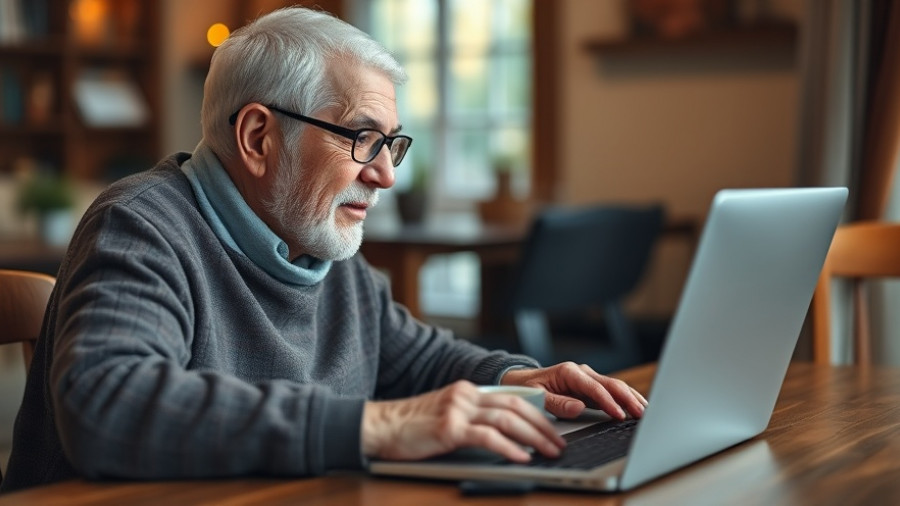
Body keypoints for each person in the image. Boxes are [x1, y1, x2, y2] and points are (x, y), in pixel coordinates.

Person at [0, 7, 646, 493]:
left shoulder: (317, 240)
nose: (386, 174)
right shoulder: (142, 225)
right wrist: (382, 427)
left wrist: (515, 378)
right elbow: (109, 404)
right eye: (362, 138)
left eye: (392, 143)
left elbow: (414, 358)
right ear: (258, 136)